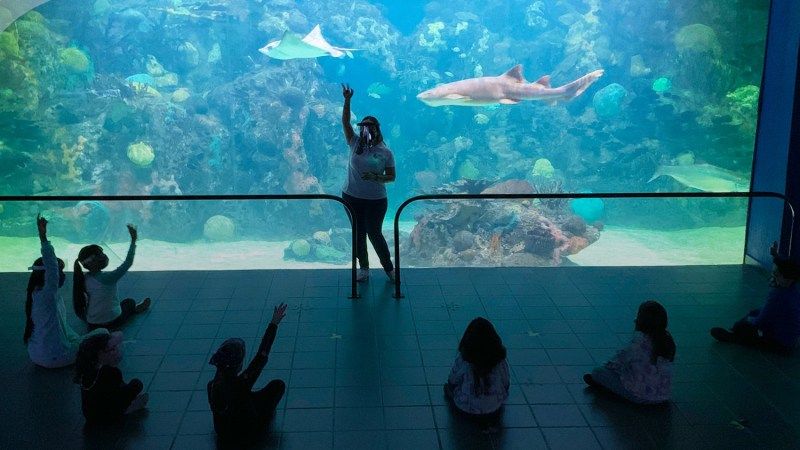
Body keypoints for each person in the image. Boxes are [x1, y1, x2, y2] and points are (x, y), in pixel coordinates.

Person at [25, 214, 105, 368]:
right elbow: (51, 266)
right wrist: (43, 237)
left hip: (35, 355)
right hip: (58, 357)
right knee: (104, 333)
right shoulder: (48, 294)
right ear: (49, 275)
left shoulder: (34, 294)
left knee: (74, 335)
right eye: (59, 271)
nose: (61, 275)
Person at [208, 302, 288, 443]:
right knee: (278, 385)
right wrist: (274, 324)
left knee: (242, 400)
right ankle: (263, 421)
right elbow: (262, 354)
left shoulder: (212, 385)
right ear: (238, 364)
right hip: (247, 431)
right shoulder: (243, 382)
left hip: (222, 431)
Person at [340, 83, 396, 282]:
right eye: (363, 126)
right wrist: (347, 100)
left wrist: (376, 177)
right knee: (358, 233)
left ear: (377, 129)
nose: (366, 129)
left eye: (370, 127)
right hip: (351, 196)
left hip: (375, 200)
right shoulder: (354, 142)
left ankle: (389, 269)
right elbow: (345, 122)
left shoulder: (385, 152)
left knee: (374, 233)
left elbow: (392, 177)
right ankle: (364, 268)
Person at [711, 242, 800, 351]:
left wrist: (746, 321)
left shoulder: (777, 295)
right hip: (792, 339)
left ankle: (735, 337)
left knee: (747, 326)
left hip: (781, 342)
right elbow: (786, 266)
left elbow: (761, 320)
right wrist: (775, 255)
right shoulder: (793, 289)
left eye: (777, 274)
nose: (774, 276)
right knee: (754, 313)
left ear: (787, 279)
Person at [584, 300, 675, 404]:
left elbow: (618, 361)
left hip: (640, 396)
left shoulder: (638, 342)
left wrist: (608, 367)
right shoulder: (667, 341)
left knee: (598, 372)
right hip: (663, 395)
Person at [73, 223, 150, 330]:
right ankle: (136, 308)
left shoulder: (82, 279)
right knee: (129, 302)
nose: (104, 256)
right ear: (94, 261)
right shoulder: (108, 278)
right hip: (112, 322)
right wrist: (133, 241)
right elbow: (127, 263)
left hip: (92, 324)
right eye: (100, 254)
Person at [74, 329, 148, 423]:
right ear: (100, 354)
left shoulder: (86, 370)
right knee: (136, 384)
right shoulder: (110, 372)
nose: (115, 352)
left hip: (90, 415)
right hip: (108, 414)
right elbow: (118, 395)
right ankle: (128, 408)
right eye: (111, 349)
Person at [445, 317, 510, 421]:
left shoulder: (465, 360)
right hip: (494, 408)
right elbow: (506, 383)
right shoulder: (499, 360)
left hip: (466, 408)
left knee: (448, 389)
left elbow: (452, 380)